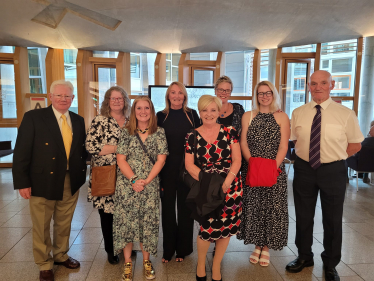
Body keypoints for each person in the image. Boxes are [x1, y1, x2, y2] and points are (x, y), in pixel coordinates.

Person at [286, 70, 364, 281]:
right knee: (302, 216)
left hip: (333, 170)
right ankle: (304, 256)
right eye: (313, 83)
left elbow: (356, 144)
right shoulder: (299, 112)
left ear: (332, 85)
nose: (317, 87)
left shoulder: (346, 113)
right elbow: (294, 141)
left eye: (323, 83)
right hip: (304, 169)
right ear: (308, 86)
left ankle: (330, 263)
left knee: (332, 218)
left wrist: (332, 157)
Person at [12, 80, 87, 281]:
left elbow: (81, 150)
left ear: (73, 99)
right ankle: (45, 263)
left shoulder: (78, 120)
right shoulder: (34, 117)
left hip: (70, 180)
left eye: (67, 96)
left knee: (64, 222)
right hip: (41, 181)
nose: (63, 99)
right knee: (41, 224)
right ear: (50, 97)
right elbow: (21, 152)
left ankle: (60, 255)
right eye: (59, 95)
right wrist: (22, 182)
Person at [185, 95, 242, 281]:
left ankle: (216, 265)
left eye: (213, 110)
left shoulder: (230, 131)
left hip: (231, 187)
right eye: (204, 110)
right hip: (206, 187)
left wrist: (226, 183)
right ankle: (201, 264)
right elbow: (189, 165)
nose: (209, 114)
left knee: (226, 228)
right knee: (206, 228)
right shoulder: (191, 135)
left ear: (219, 111)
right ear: (199, 112)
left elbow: (237, 160)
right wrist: (208, 182)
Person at [113, 96, 168, 281]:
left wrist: (146, 181)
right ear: (134, 111)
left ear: (151, 111)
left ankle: (146, 261)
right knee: (127, 223)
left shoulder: (159, 132)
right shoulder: (126, 132)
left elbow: (161, 159)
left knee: (148, 223)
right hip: (127, 185)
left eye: (146, 108)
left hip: (150, 185)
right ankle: (128, 262)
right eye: (139, 108)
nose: (143, 111)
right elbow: (120, 159)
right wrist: (134, 180)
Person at [237, 81, 290, 267]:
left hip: (274, 169)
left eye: (268, 93)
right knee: (255, 207)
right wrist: (252, 163)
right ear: (256, 95)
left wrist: (271, 168)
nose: (264, 96)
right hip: (252, 168)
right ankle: (257, 244)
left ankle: (266, 246)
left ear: (273, 94)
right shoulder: (248, 116)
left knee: (272, 208)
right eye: (260, 93)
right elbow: (243, 142)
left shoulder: (282, 117)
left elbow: (284, 145)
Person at [85, 86, 130, 265]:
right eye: (113, 98)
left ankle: (125, 247)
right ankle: (111, 250)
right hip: (106, 175)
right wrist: (119, 149)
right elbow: (91, 146)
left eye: (120, 98)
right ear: (107, 101)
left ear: (125, 101)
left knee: (126, 214)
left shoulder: (130, 121)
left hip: (127, 176)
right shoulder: (100, 120)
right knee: (108, 216)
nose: (117, 101)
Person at [156, 82, 200, 263]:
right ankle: (168, 250)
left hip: (187, 170)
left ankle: (183, 249)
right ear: (168, 95)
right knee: (167, 210)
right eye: (173, 92)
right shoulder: (160, 116)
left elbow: (200, 140)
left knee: (185, 209)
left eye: (180, 93)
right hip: (165, 169)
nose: (176, 96)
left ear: (184, 96)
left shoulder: (192, 115)